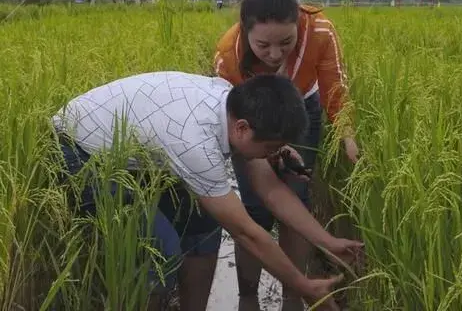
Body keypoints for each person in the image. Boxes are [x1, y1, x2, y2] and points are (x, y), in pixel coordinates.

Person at [52, 71, 363, 311]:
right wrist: (302, 284)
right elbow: (246, 233)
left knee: (203, 222)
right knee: (162, 249)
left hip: (129, 154)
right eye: (270, 147)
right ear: (242, 128)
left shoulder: (230, 104)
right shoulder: (195, 142)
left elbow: (271, 190)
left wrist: (328, 241)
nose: (271, 155)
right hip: (77, 152)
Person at [213, 0, 360, 311]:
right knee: (254, 206)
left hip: (300, 106)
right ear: (245, 30)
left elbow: (335, 87)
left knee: (297, 192)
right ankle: (247, 296)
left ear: (298, 24)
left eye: (286, 43)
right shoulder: (228, 54)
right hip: (251, 113)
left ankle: (294, 296)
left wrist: (346, 134)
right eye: (263, 45)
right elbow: (236, 124)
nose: (276, 54)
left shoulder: (320, 31)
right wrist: (266, 155)